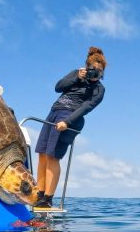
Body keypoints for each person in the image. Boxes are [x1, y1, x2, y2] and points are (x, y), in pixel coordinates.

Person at [34, 47, 107, 208]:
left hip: (70, 118)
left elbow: (86, 108)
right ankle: (38, 194)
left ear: (103, 72)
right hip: (53, 112)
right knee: (42, 155)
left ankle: (47, 198)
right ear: (86, 67)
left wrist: (67, 121)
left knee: (53, 156)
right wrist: (76, 77)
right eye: (93, 69)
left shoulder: (99, 89)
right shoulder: (76, 74)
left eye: (100, 71)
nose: (96, 73)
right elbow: (58, 87)